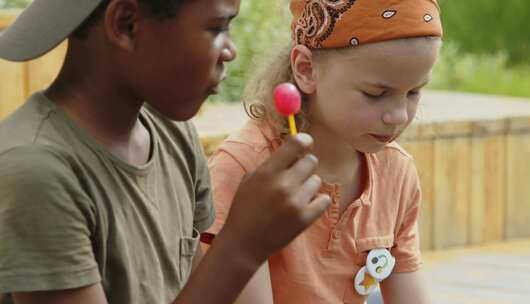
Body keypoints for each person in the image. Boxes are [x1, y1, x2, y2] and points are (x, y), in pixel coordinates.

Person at [0, 1, 331, 303]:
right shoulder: (36, 173)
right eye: (217, 28)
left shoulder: (171, 132)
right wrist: (241, 247)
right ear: (127, 24)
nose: (230, 51)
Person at [203, 0, 443, 303]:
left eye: (413, 92)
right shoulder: (245, 167)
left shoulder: (395, 171)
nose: (397, 115)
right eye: (376, 94)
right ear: (306, 69)